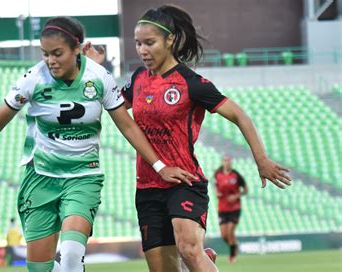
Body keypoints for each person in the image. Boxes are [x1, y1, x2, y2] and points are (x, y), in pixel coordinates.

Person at [0, 16, 192, 272]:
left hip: (83, 177)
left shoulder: (99, 77)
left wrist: (160, 166)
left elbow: (127, 125)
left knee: (71, 254)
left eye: (57, 53)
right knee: (40, 269)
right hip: (39, 179)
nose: (50, 61)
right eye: (45, 54)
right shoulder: (33, 78)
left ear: (77, 48)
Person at [84, 4, 291, 272]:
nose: (142, 50)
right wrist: (95, 71)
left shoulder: (191, 82)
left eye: (150, 43)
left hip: (185, 181)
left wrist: (260, 159)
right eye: (137, 44)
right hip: (148, 187)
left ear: (170, 40)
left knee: (188, 249)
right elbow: (112, 107)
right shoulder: (138, 79)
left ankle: (195, 260)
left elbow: (240, 116)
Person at [214, 155, 248, 263]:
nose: (227, 162)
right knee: (224, 235)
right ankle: (234, 245)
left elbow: (245, 190)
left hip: (235, 208)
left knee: (230, 231)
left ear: (231, 162)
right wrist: (217, 192)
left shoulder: (236, 175)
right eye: (225, 160)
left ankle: (233, 254)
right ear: (222, 162)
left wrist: (236, 196)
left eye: (229, 160)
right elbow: (215, 185)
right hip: (222, 208)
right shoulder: (217, 174)